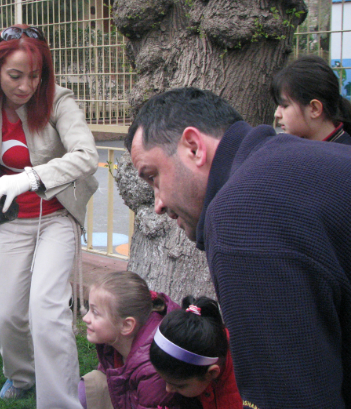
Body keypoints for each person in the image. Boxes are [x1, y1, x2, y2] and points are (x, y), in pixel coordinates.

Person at [127, 87, 351, 408]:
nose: (158, 205)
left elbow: (291, 397)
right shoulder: (286, 163)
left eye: (153, 177)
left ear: (193, 147)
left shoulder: (242, 216)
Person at [0, 24, 99, 408]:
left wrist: (32, 177)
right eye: (16, 75)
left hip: (57, 217)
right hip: (10, 222)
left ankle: (60, 402)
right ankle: (22, 375)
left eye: (35, 75)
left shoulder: (60, 101)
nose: (26, 85)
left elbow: (86, 155)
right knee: (3, 315)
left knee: (47, 311)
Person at [80, 271, 179, 409]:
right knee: (92, 383)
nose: (85, 318)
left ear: (126, 325)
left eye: (95, 313)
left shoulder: (151, 369)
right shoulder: (113, 340)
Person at [150, 297, 242, 409]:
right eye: (164, 380)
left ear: (211, 373)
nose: (168, 389)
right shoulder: (184, 374)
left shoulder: (246, 389)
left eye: (180, 385)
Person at [271, 55, 351, 144]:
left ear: (314, 108)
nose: (277, 114)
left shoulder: (343, 155)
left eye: (285, 106)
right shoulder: (293, 148)